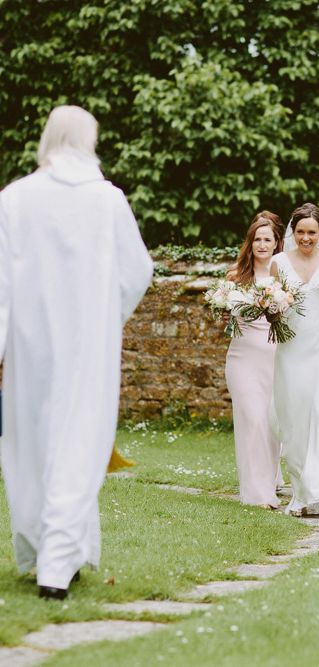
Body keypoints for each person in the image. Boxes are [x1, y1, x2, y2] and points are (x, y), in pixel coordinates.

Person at [0, 105, 153, 598]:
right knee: (79, 443)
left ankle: (55, 551)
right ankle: (57, 561)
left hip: (28, 345)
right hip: (88, 346)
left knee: (35, 445)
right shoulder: (107, 201)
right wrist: (107, 319)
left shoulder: (14, 199)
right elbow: (137, 272)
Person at [270, 203, 319, 516]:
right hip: (291, 349)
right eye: (300, 232)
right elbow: (270, 304)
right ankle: (302, 493)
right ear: (293, 232)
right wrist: (268, 308)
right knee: (295, 418)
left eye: (312, 233)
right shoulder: (278, 262)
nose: (306, 238)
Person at [225, 212, 285, 509]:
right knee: (252, 419)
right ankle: (255, 493)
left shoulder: (282, 276)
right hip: (242, 358)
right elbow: (225, 315)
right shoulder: (236, 276)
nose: (262, 244)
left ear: (276, 243)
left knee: (271, 423)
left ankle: (269, 485)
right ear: (250, 243)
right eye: (257, 239)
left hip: (275, 358)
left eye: (267, 239)